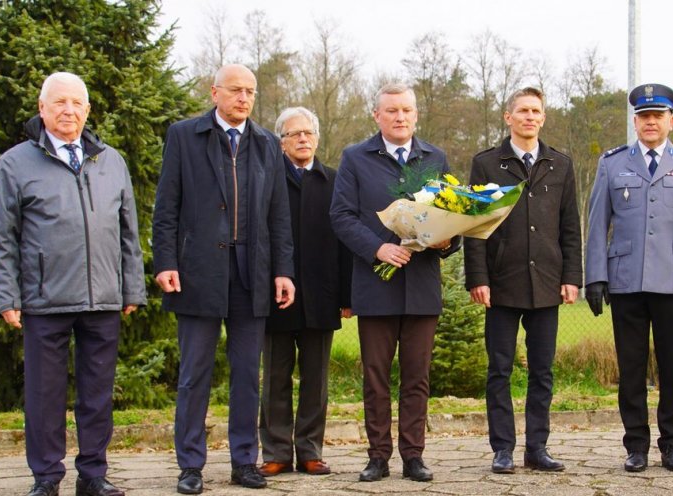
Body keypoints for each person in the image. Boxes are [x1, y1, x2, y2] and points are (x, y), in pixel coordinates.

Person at [0, 72, 146, 496]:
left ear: (88, 110)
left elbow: (128, 231)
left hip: (102, 299)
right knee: (44, 397)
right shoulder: (16, 163)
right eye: (59, 102)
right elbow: (3, 237)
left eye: (77, 103)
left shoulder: (111, 161)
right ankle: (46, 476)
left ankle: (93, 474)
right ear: (42, 109)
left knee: (97, 395)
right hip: (44, 299)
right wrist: (7, 295)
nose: (68, 110)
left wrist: (132, 288)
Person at [152, 64, 295, 493]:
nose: (244, 99)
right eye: (235, 90)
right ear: (214, 92)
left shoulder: (268, 143)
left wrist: (283, 271)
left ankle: (243, 462)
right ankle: (191, 465)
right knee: (194, 373)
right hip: (197, 273)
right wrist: (165, 261)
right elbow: (167, 207)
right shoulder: (185, 136)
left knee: (248, 374)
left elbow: (279, 216)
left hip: (251, 274)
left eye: (250, 91)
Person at [584, 83, 673, 473]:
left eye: (658, 115)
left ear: (671, 120)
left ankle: (671, 442)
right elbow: (597, 223)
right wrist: (596, 276)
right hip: (626, 281)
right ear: (635, 121)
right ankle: (636, 444)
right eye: (644, 116)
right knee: (631, 367)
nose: (651, 122)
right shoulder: (612, 164)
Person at [330, 82, 459, 482]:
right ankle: (378, 456)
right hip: (375, 286)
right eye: (391, 111)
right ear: (377, 116)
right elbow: (342, 216)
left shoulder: (434, 158)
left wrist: (445, 241)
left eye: (406, 110)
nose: (399, 117)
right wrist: (377, 250)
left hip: (421, 289)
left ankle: (413, 456)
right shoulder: (355, 158)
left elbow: (453, 215)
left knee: (417, 378)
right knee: (376, 377)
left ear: (415, 114)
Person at [463, 87, 581, 474]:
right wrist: (477, 277)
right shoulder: (486, 164)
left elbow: (569, 227)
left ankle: (538, 448)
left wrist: (571, 277)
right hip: (500, 283)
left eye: (536, 111)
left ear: (543, 118)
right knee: (499, 369)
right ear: (507, 117)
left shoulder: (560, 164)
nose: (530, 117)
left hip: (547, 282)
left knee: (542, 371)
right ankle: (503, 449)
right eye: (523, 111)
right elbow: (475, 225)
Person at [257, 107, 352, 477]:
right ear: (281, 141)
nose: (302, 139)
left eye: (308, 133)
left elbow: (345, 243)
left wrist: (346, 296)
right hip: (275, 296)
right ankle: (276, 451)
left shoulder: (334, 180)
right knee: (275, 378)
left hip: (322, 296)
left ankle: (310, 450)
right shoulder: (267, 180)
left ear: (317, 138)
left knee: (316, 379)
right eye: (294, 134)